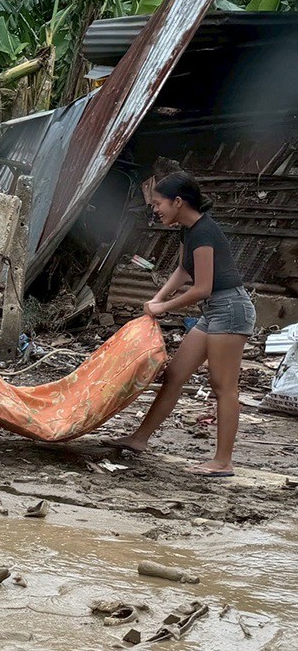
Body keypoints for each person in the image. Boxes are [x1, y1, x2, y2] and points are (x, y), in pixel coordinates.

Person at [116, 173, 252, 475]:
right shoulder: (188, 231)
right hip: (215, 310)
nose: (155, 210)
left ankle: (223, 461)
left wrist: (164, 306)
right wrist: (157, 298)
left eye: (159, 203)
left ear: (178, 202)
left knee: (223, 387)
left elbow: (202, 287)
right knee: (174, 374)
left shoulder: (204, 232)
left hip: (230, 310)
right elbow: (182, 269)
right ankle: (140, 439)